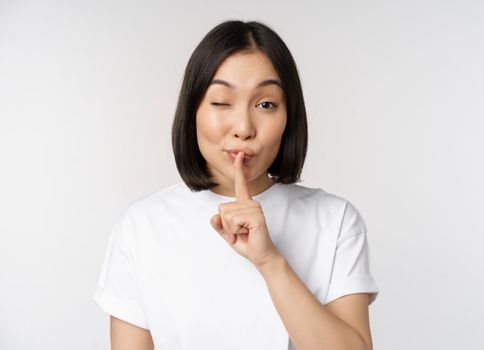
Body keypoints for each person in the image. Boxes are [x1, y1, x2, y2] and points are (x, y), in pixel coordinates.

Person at [91, 19, 379, 350]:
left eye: (266, 104)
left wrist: (269, 260)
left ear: (290, 116)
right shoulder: (143, 225)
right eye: (221, 102)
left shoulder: (335, 220)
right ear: (193, 110)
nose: (243, 127)